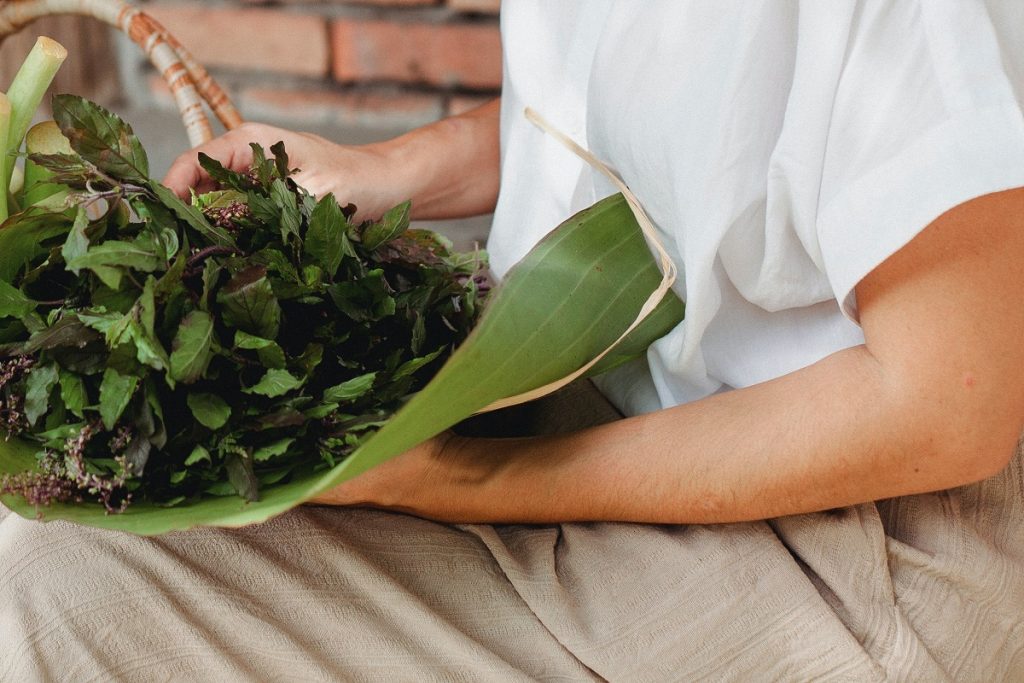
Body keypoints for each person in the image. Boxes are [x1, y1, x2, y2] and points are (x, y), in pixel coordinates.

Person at [2, 1, 1022, 679]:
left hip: (860, 551)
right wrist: (387, 169)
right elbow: (639, 107)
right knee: (54, 562)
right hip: (635, 397)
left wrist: (467, 481)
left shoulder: (910, 19)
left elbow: (945, 410)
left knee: (71, 610)